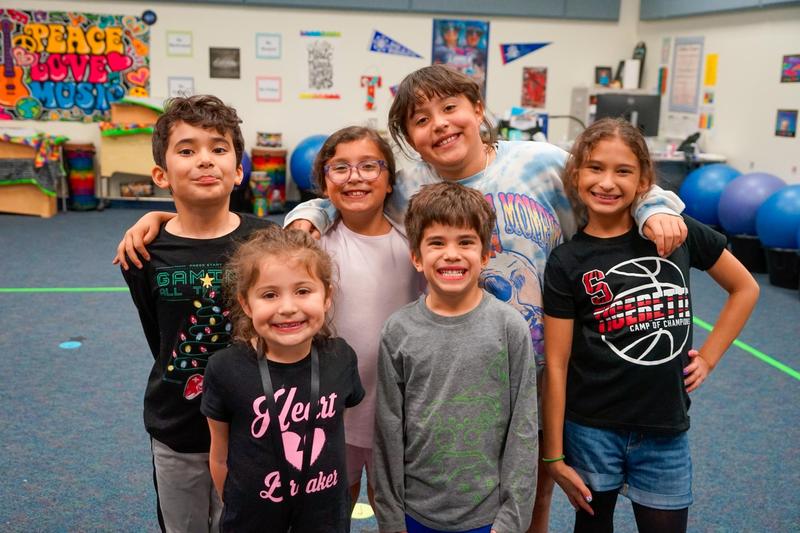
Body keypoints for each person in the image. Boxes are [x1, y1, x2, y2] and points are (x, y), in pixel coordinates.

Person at [113, 65, 688, 532]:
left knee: (526, 487)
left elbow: (607, 179)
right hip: (431, 369)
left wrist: (655, 207)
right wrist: (303, 214)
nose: (439, 125)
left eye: (450, 108)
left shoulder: (540, 160)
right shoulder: (410, 185)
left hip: (532, 357)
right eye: (420, 119)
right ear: (409, 141)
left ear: (477, 109)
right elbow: (343, 197)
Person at [541, 117, 759, 533]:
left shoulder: (676, 234)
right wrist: (553, 455)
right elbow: (556, 362)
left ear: (643, 180)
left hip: (664, 428)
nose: (607, 182)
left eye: (623, 171)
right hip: (591, 427)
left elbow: (745, 288)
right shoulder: (567, 260)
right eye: (595, 168)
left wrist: (709, 358)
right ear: (576, 174)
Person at [120, 94, 275, 532]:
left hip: (252, 425)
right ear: (161, 174)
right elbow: (159, 336)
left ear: (238, 170)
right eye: (187, 151)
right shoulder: (144, 252)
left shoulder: (268, 241)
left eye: (218, 148)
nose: (205, 160)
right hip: (178, 426)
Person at [374, 181, 538, 533]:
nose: (451, 254)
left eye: (465, 242)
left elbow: (523, 429)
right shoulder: (397, 330)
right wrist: (392, 521)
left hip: (488, 519)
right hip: (415, 515)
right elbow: (388, 430)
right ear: (416, 257)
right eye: (437, 243)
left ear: (485, 255)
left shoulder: (509, 327)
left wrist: (510, 521)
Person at [201, 226, 364, 532]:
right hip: (251, 522)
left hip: (324, 520)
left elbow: (335, 434)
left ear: (327, 297)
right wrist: (242, 507)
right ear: (246, 304)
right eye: (270, 295)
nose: (288, 308)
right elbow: (220, 457)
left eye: (303, 291)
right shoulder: (224, 369)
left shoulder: (341, 358)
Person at [311, 126, 424, 510]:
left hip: (394, 408)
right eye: (340, 167)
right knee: (332, 504)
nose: (355, 177)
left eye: (369, 166)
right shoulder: (313, 245)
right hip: (330, 409)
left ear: (389, 180)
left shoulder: (413, 247)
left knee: (391, 506)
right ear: (325, 182)